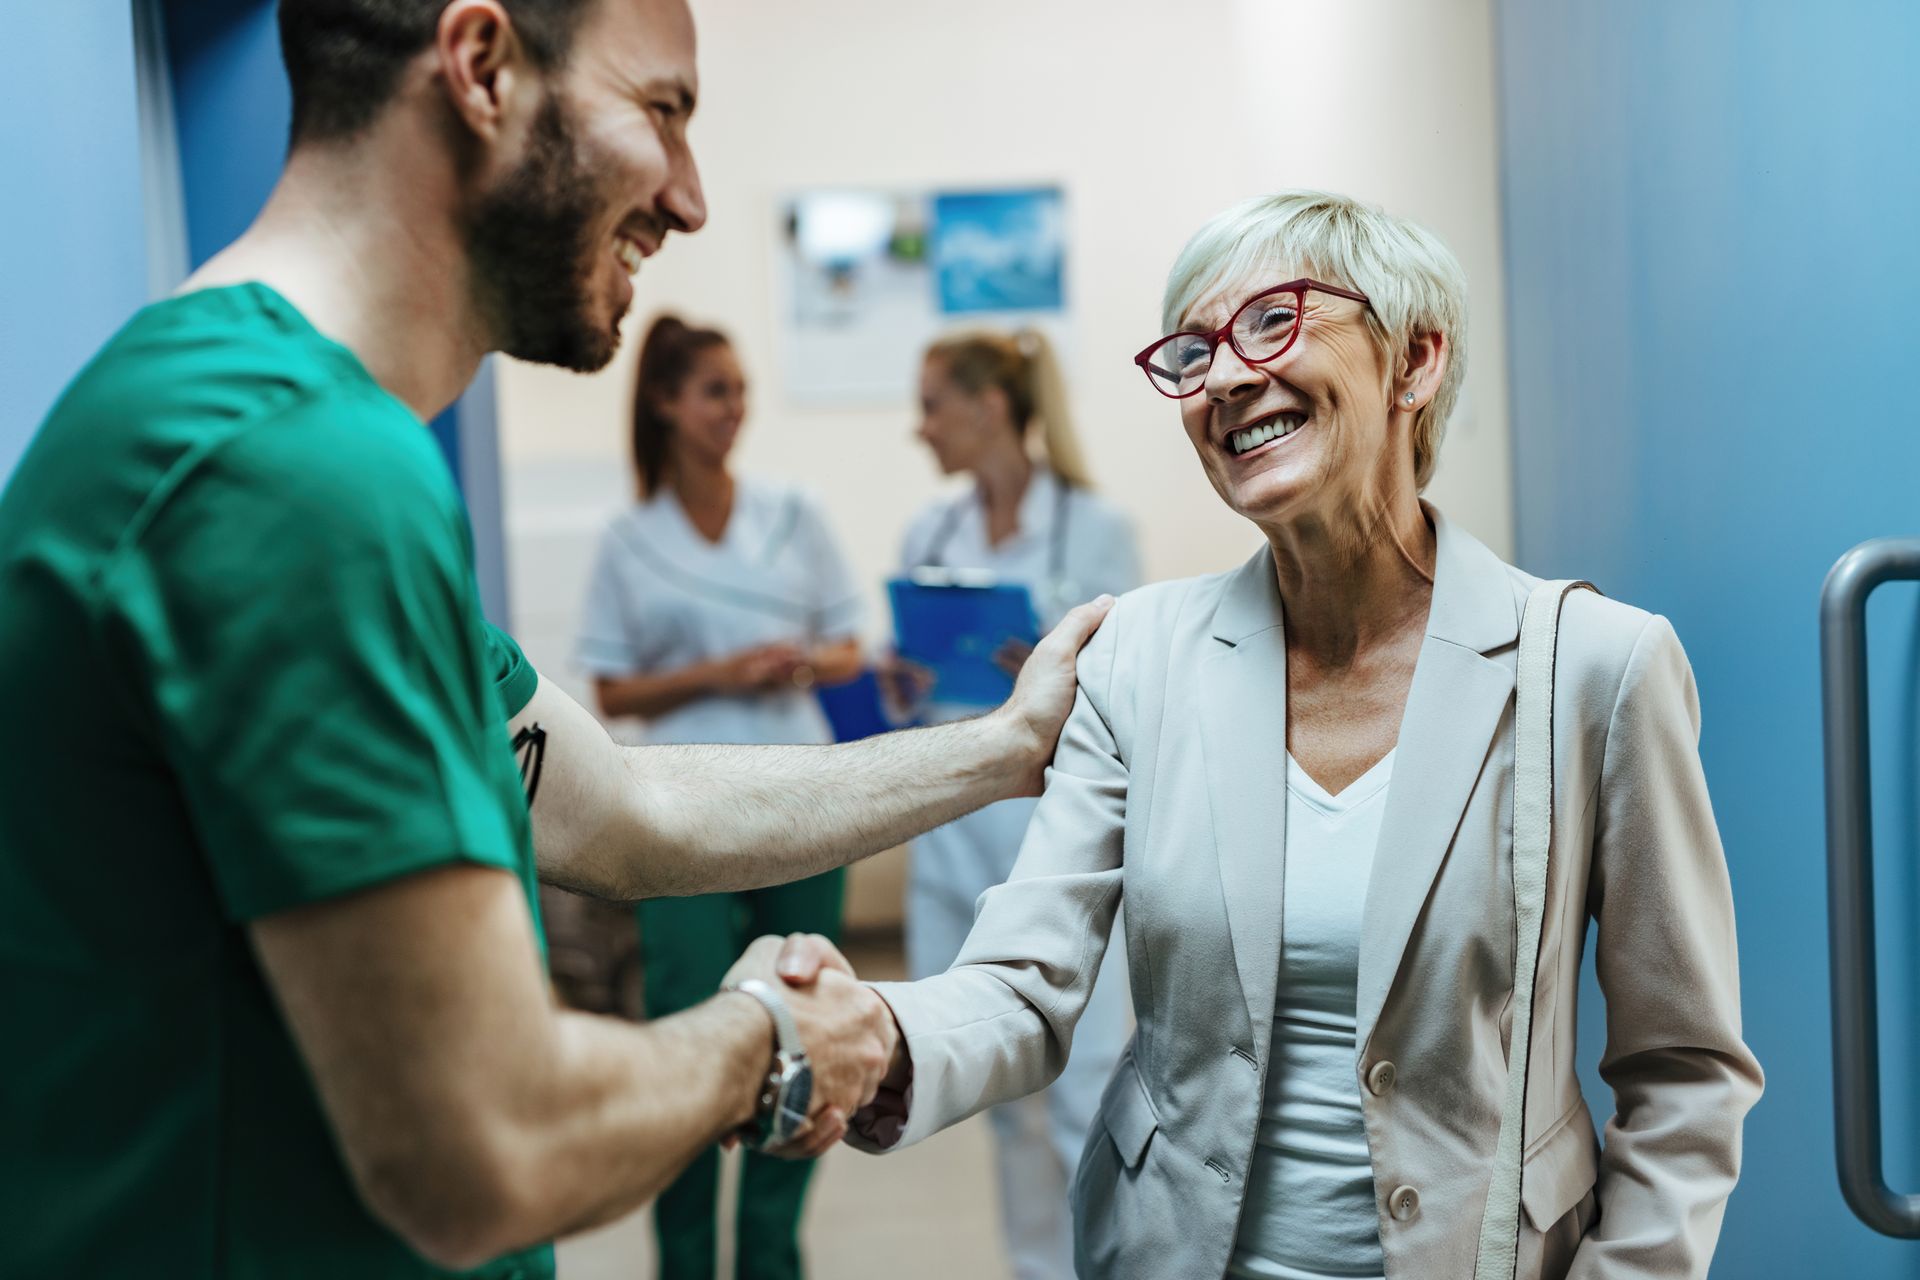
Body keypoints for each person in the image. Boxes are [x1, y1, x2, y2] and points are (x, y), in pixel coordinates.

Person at [0, 2, 1109, 1276]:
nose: (691, 200)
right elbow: (489, 1145)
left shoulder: (251, 421)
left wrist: (1007, 746)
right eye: (663, 112)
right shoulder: (293, 472)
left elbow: (626, 808)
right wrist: (772, 1039)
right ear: (481, 67)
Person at [810, 191, 1764, 1280]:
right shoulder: (1139, 658)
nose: (1222, 377)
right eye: (1194, 349)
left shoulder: (1592, 666)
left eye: (1273, 321)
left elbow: (1684, 1068)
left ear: (1416, 361)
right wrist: (877, 1035)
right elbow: (1025, 979)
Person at [574, 313, 865, 1280]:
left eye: (740, 390)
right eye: (713, 391)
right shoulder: (629, 538)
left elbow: (850, 648)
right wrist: (718, 673)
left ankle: (771, 1257)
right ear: (664, 402)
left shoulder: (795, 510)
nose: (734, 409)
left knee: (804, 1026)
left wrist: (797, 666)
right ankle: (687, 1262)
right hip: (681, 812)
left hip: (802, 801)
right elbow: (612, 690)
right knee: (687, 1026)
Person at [890, 328, 1141, 1280]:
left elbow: (1129, 684)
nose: (922, 429)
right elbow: (910, 695)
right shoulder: (931, 534)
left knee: (1082, 1093)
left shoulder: (1095, 527)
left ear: (989, 406)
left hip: (1063, 833)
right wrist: (905, 680)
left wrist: (1043, 662)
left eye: (932, 405)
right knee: (993, 1088)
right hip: (958, 833)